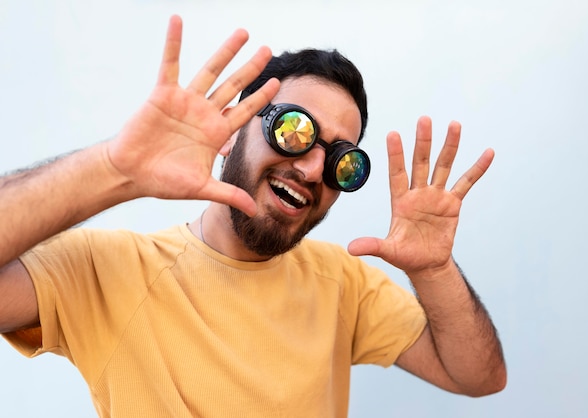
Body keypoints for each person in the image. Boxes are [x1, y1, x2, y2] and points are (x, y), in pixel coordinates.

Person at [0, 15, 506, 418]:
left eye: (339, 161)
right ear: (232, 131)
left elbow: (478, 377)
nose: (311, 168)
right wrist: (114, 168)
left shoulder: (343, 285)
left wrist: (433, 270)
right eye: (293, 130)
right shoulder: (108, 273)